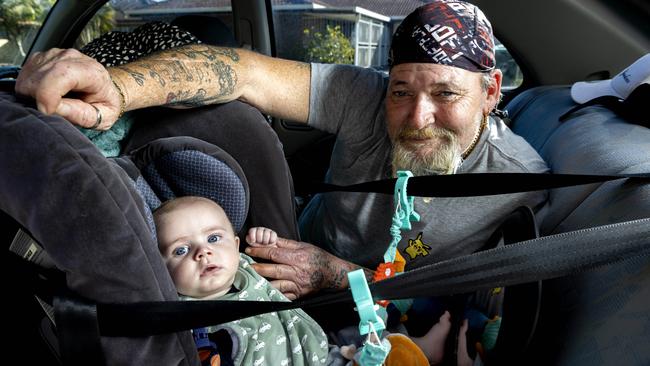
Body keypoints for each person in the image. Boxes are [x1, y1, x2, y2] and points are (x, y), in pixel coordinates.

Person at [153, 196, 473, 365]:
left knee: (381, 351)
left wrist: (264, 237)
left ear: (236, 246)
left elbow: (265, 248)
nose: (202, 253)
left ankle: (422, 350)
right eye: (181, 249)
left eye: (213, 238)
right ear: (160, 269)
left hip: (320, 354)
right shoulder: (181, 310)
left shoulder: (246, 265)